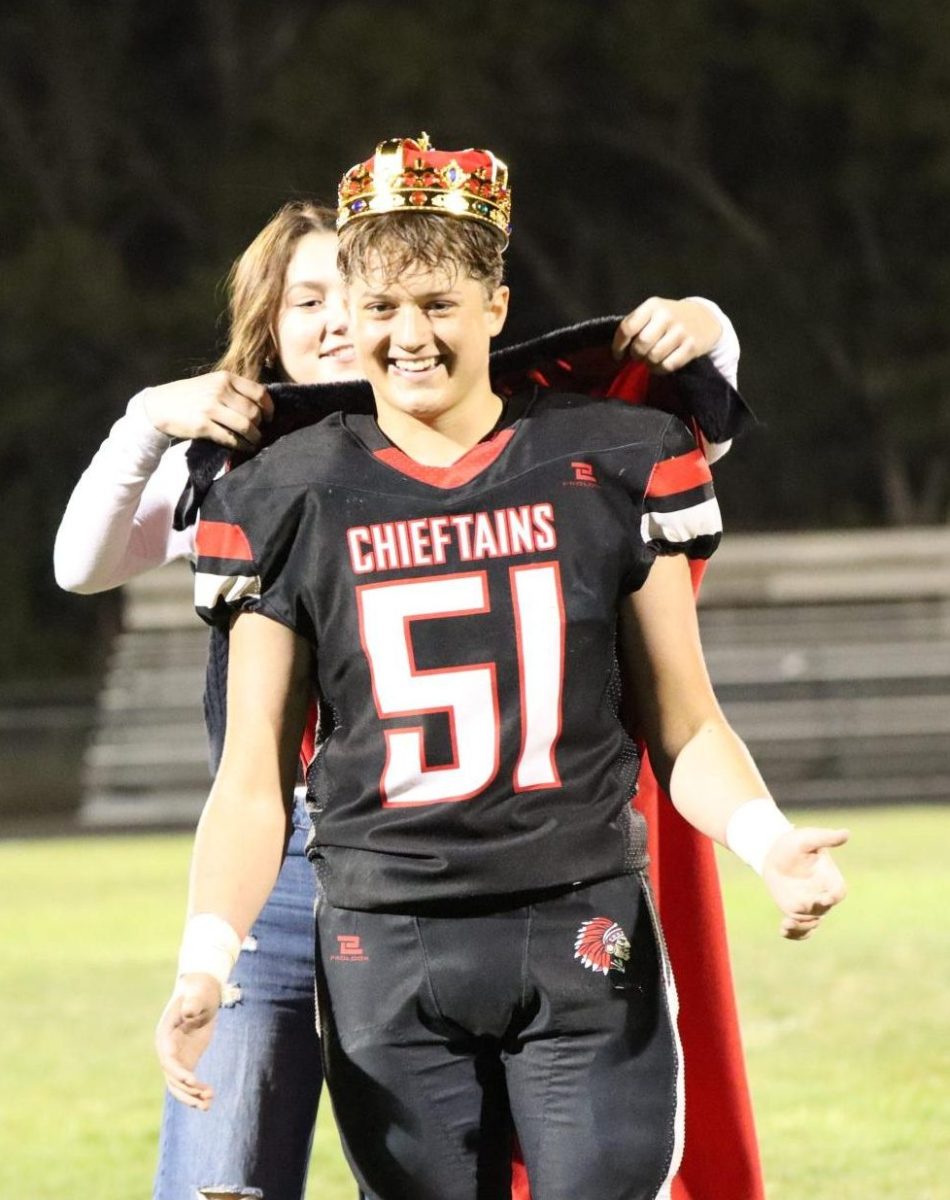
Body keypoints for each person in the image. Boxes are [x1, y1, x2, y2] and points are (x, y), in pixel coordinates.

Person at [159, 135, 848, 1200]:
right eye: (380, 307)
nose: (407, 335)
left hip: (577, 926)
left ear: (494, 303)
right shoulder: (280, 493)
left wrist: (766, 843)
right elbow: (252, 777)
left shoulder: (611, 455)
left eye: (436, 303)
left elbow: (683, 720)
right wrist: (206, 958)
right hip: (382, 946)